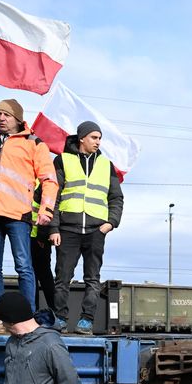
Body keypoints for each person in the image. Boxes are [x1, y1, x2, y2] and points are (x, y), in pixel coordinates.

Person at [0, 99, 58, 329]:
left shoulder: (34, 143)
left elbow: (49, 179)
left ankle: (27, 319)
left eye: (6, 114)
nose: (1, 118)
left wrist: (46, 209)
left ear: (17, 118)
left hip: (19, 214)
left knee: (24, 267)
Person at [50, 121, 124, 335]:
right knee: (62, 278)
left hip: (95, 230)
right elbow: (53, 195)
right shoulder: (63, 160)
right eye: (94, 137)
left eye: (100, 138)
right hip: (67, 229)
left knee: (93, 278)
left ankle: (86, 321)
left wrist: (110, 223)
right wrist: (54, 228)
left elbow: (116, 197)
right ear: (81, 138)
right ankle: (60, 319)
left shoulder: (106, 165)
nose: (98, 142)